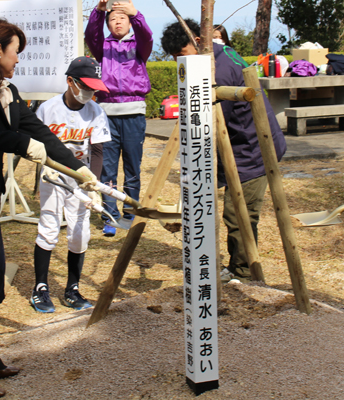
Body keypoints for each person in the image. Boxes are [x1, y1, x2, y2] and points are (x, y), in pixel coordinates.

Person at [0, 18, 97, 398]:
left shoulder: (7, 90)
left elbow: (41, 133)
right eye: (15, 53)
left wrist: (79, 170)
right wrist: (18, 144)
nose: (18, 61)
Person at [160, 19, 286, 284]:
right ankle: (237, 266)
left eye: (181, 55)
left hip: (253, 147)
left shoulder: (220, 70)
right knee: (234, 209)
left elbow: (213, 125)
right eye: (174, 58)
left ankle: (244, 272)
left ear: (196, 41)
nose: (178, 63)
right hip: (238, 143)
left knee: (238, 212)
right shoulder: (214, 54)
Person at [31, 56, 111, 313]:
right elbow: (37, 146)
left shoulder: (96, 112)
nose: (89, 92)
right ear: (70, 81)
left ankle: (72, 288)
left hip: (81, 177)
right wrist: (46, 168)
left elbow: (97, 152)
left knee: (80, 232)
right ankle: (40, 288)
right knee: (49, 226)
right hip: (54, 175)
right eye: (85, 86)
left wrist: (92, 182)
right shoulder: (48, 108)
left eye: (93, 88)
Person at [85, 0, 152, 236]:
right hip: (107, 113)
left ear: (129, 22)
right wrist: (98, 11)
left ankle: (131, 213)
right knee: (108, 169)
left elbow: (147, 35)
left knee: (133, 166)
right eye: (113, 19)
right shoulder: (102, 47)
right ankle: (110, 216)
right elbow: (90, 33)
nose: (117, 22)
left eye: (122, 18)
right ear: (108, 23)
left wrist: (136, 14)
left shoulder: (139, 45)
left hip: (134, 112)